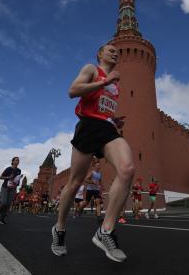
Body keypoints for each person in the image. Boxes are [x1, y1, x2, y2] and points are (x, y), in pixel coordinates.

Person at [51, 44, 134, 262]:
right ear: (99, 54)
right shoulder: (92, 69)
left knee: (127, 169)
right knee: (75, 182)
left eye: (117, 51)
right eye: (110, 50)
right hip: (87, 127)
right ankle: (59, 229)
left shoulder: (116, 86)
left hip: (107, 128)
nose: (115, 52)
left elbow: (101, 106)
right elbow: (73, 91)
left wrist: (113, 118)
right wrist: (104, 81)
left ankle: (105, 231)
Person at [0, 157, 21, 224]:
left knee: (8, 205)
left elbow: (17, 180)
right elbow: (1, 177)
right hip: (5, 188)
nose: (18, 161)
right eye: (16, 160)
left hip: (13, 188)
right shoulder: (8, 169)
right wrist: (8, 177)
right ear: (12, 161)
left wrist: (18, 182)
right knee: (4, 203)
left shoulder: (19, 170)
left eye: (18, 160)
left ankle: (1, 219)